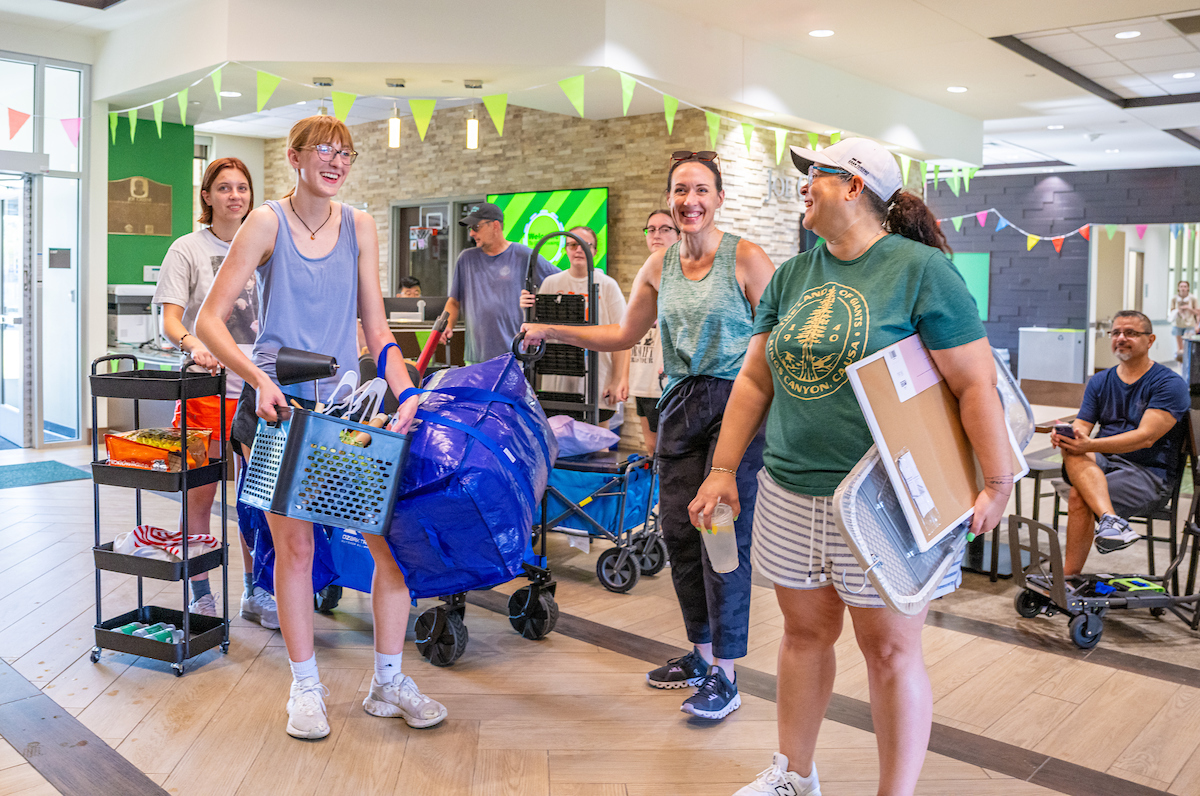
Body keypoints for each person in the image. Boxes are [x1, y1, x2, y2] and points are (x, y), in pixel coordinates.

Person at [688, 138, 1014, 796]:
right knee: (804, 636)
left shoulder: (920, 271)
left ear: (856, 186)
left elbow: (976, 383)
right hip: (789, 487)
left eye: (817, 175)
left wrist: (998, 480)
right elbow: (755, 381)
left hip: (884, 496)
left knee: (890, 652)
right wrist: (723, 469)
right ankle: (795, 775)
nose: (805, 185)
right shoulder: (791, 276)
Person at [196, 116, 446, 740]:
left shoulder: (359, 225)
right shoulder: (266, 222)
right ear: (296, 157)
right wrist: (258, 378)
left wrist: (407, 388)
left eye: (345, 153)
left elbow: (378, 330)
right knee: (296, 550)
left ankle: (388, 682)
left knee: (387, 546)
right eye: (323, 152)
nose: (336, 162)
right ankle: (304, 686)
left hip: (345, 413)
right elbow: (209, 321)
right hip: (282, 410)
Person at [522, 151, 776, 721]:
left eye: (702, 190)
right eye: (681, 190)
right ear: (668, 198)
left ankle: (727, 676)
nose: (691, 200)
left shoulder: (747, 259)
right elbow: (622, 332)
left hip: (737, 405)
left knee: (721, 540)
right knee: (680, 534)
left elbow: (774, 346)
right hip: (681, 401)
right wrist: (549, 325)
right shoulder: (658, 266)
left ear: (719, 198)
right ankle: (700, 653)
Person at [152, 157, 276, 628]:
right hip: (206, 388)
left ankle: (256, 589)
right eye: (223, 188)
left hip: (260, 391)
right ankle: (201, 593)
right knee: (200, 495)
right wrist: (194, 346)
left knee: (256, 498)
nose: (235, 196)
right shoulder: (187, 249)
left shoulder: (266, 245)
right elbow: (169, 319)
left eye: (242, 188)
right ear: (207, 196)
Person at [1053, 310, 1189, 576]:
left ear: (1150, 340)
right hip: (1105, 463)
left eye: (1130, 333)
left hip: (1150, 475)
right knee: (1072, 448)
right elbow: (1083, 426)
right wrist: (1070, 435)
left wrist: (1088, 445)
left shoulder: (1169, 383)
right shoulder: (1101, 380)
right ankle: (1112, 520)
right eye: (1115, 333)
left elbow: (1145, 437)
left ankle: (1068, 579)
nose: (1121, 338)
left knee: (1079, 495)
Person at [520, 225, 629, 428]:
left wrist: (617, 380)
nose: (579, 250)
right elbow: (538, 329)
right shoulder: (551, 283)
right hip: (559, 377)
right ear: (566, 249)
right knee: (558, 438)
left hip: (598, 376)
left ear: (595, 250)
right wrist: (526, 309)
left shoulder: (607, 285)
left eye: (585, 245)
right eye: (573, 244)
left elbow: (622, 337)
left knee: (597, 441)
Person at [444, 202, 556, 364]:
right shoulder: (466, 259)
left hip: (514, 355)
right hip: (475, 358)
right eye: (470, 229)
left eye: (476, 227)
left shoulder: (523, 255)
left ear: (495, 225)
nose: (472, 234)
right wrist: (447, 325)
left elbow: (559, 280)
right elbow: (454, 302)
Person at [628, 210, 679, 451]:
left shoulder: (682, 273)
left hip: (673, 381)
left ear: (679, 234)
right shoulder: (645, 272)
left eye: (665, 228)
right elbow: (626, 330)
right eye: (651, 229)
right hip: (643, 375)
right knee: (651, 451)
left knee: (672, 451)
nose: (656, 234)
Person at [1169, 280, 1196, 361]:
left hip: (1189, 324)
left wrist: (1188, 308)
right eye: (1181, 286)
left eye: (1185, 287)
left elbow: (1197, 312)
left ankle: (1188, 364)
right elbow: (1172, 311)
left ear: (1188, 288)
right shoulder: (1174, 298)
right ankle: (1180, 365)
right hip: (1178, 324)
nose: (1183, 288)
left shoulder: (1193, 298)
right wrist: (1179, 310)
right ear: (1178, 288)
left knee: (1187, 345)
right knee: (1180, 348)